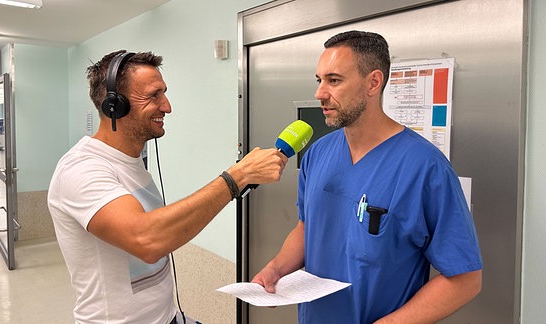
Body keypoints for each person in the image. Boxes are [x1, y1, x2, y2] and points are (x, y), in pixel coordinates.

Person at [251, 30, 483, 323]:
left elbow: (466, 280)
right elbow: (307, 227)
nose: (320, 93)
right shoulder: (317, 154)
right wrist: (276, 268)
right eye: (319, 80)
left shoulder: (425, 168)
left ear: (373, 82)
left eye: (334, 80)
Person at [47, 50, 288, 324]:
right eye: (153, 95)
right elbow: (147, 240)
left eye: (164, 93)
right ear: (114, 105)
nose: (167, 106)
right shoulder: (81, 169)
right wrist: (236, 178)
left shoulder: (133, 161)